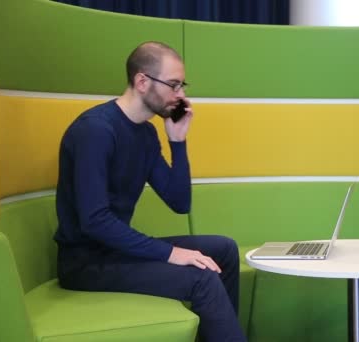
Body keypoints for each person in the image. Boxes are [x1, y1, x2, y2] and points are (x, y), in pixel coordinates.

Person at [54, 41, 246, 342]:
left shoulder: (145, 133)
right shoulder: (96, 130)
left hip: (116, 253)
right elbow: (94, 221)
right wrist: (170, 253)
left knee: (224, 249)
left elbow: (179, 202)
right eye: (173, 85)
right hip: (85, 263)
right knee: (202, 279)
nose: (181, 95)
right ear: (142, 81)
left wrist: (178, 142)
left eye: (182, 85)